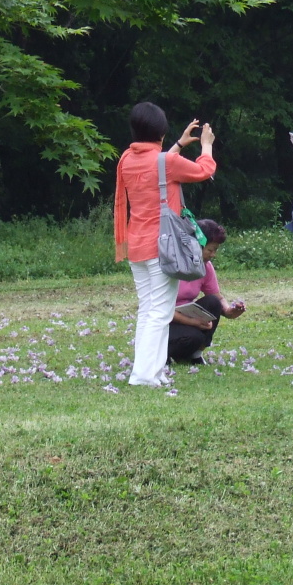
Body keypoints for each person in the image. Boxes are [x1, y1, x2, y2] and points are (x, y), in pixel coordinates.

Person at [114, 102, 216, 386]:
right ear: (161, 132)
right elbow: (203, 171)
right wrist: (206, 145)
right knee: (159, 312)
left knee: (147, 309)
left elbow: (158, 169)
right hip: (163, 247)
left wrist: (179, 145)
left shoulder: (126, 159)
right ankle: (145, 375)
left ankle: (151, 371)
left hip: (136, 246)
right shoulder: (165, 162)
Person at [167, 219, 246, 365]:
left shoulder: (205, 266)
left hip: (188, 316)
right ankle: (166, 353)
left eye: (215, 250)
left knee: (213, 302)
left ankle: (195, 354)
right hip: (166, 320)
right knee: (194, 337)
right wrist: (192, 322)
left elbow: (217, 296)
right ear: (196, 246)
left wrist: (230, 311)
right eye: (210, 250)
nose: (213, 254)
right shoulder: (172, 265)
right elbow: (161, 308)